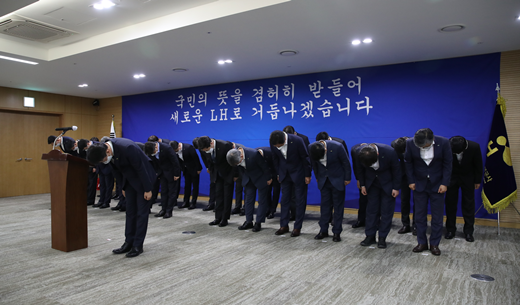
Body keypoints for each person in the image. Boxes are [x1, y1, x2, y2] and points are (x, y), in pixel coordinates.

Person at [86, 138, 156, 258]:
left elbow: (141, 169)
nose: (104, 162)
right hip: (129, 181)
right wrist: (122, 187)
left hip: (144, 180)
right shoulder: (107, 151)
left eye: (102, 160)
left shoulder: (128, 148)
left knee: (141, 214)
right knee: (130, 212)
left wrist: (148, 189)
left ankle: (138, 245)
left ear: (107, 151)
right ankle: (128, 242)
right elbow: (117, 171)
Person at [405, 128, 452, 256]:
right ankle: (422, 242)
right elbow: (408, 162)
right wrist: (411, 181)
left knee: (437, 217)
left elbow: (448, 163)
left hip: (438, 184)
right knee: (419, 216)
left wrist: (444, 183)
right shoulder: (410, 143)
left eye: (424, 146)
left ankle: (434, 244)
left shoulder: (443, 142)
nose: (421, 147)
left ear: (431, 141)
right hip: (419, 184)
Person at [357, 143, 401, 248]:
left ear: (377, 154)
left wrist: (396, 187)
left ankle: (382, 237)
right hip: (371, 184)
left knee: (386, 211)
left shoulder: (389, 152)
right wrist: (362, 185)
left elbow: (397, 170)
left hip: (388, 184)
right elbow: (359, 169)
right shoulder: (359, 153)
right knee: (371, 211)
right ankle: (370, 236)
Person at [269, 130, 311, 237]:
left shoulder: (297, 140)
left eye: (280, 145)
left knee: (299, 200)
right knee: (284, 200)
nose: (278, 147)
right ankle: (284, 225)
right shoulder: (273, 141)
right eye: (276, 146)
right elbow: (275, 158)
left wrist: (307, 174)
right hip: (284, 174)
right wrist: (278, 173)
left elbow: (305, 157)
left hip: (299, 173)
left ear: (285, 140)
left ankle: (297, 227)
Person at [308, 140, 351, 242]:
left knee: (338, 207)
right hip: (323, 181)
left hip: (338, 180)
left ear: (326, 149)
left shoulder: (338, 147)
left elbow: (346, 162)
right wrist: (318, 177)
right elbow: (314, 164)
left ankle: (337, 232)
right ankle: (323, 230)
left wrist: (347, 178)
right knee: (324, 206)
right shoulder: (311, 148)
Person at [445, 136, 483, 242]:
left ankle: (468, 232)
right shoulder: (447, 146)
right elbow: (444, 164)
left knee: (468, 205)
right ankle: (450, 230)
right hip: (452, 178)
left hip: (468, 178)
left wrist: (477, 180)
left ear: (464, 147)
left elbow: (478, 164)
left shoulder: (474, 147)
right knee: (450, 204)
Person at [226, 147, 272, 232]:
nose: (238, 164)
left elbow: (264, 166)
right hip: (248, 179)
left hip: (260, 178)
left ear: (242, 156)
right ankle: (248, 221)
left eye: (238, 162)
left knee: (262, 201)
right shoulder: (235, 156)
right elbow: (240, 169)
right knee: (248, 201)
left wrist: (269, 178)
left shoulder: (254, 154)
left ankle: (258, 222)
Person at [198, 136, 236, 227]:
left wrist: (235, 175)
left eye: (206, 149)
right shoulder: (204, 147)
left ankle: (225, 219)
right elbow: (210, 162)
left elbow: (234, 160)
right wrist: (212, 176)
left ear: (211, 143)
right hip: (217, 175)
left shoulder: (225, 145)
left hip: (228, 174)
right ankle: (217, 217)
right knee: (218, 196)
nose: (205, 151)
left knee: (227, 197)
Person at [144, 141, 181, 218]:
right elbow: (154, 163)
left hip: (171, 174)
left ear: (156, 147)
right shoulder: (151, 150)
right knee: (163, 192)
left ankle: (169, 211)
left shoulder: (167, 148)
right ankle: (163, 210)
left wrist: (176, 174)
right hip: (162, 173)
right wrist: (157, 173)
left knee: (171, 192)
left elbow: (175, 161)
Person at [282, 125, 310, 221]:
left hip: (300, 171)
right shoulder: (281, 138)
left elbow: (306, 157)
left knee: (300, 195)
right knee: (290, 196)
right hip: (287, 172)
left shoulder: (303, 139)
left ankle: (300, 214)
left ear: (294, 133)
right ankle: (293, 214)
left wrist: (307, 173)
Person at [391, 137, 415, 235]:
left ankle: (417, 225)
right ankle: (405, 224)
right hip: (403, 176)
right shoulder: (394, 145)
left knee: (418, 201)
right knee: (404, 200)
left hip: (416, 175)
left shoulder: (415, 144)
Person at [171, 141, 203, 209]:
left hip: (194, 169)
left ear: (179, 146)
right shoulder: (174, 150)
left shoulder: (188, 147)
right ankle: (186, 202)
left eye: (176, 150)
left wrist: (198, 169)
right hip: (186, 170)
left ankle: (193, 203)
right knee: (187, 186)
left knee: (195, 187)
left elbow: (196, 158)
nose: (175, 151)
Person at [193, 137, 216, 211]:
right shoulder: (201, 148)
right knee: (212, 185)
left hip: (218, 166)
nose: (202, 150)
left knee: (220, 187)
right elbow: (204, 158)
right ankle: (211, 203)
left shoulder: (211, 144)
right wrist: (207, 168)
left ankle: (219, 205)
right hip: (211, 168)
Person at [257, 146, 281, 219]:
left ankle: (273, 210)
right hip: (266, 174)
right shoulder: (255, 153)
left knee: (276, 192)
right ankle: (268, 209)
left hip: (275, 172)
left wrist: (278, 174)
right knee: (267, 191)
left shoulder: (271, 152)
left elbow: (278, 163)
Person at [350, 143, 368, 228]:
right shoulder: (354, 151)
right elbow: (356, 167)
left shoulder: (371, 152)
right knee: (362, 199)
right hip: (362, 176)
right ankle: (361, 219)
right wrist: (359, 180)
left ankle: (375, 221)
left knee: (374, 200)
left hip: (374, 176)